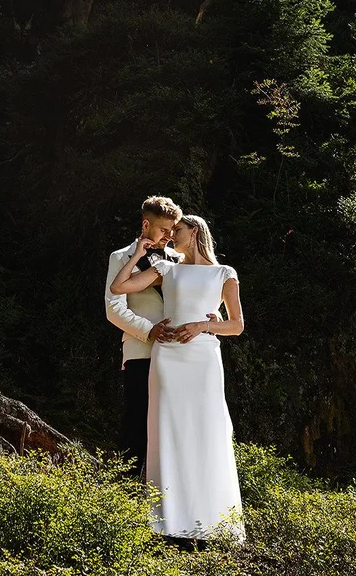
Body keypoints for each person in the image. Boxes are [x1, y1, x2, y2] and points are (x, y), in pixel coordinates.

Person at [110, 213, 245, 543]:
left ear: (194, 231)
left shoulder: (224, 273)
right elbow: (119, 288)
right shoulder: (167, 268)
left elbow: (236, 325)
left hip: (203, 358)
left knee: (205, 430)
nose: (171, 236)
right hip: (168, 358)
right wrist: (139, 254)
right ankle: (168, 521)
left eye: (178, 230)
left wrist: (204, 325)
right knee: (167, 432)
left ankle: (209, 520)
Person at [105, 196, 184, 477]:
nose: (169, 236)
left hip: (179, 354)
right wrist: (149, 330)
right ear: (146, 224)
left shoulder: (181, 260)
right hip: (141, 351)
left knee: (173, 426)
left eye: (173, 230)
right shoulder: (120, 258)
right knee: (136, 423)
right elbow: (113, 309)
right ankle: (125, 493)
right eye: (164, 230)